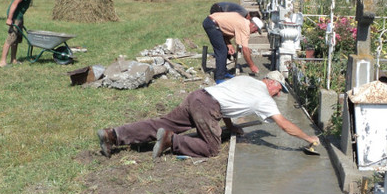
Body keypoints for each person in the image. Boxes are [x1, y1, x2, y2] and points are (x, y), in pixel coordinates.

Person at [97, 71, 319, 159]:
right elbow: (284, 125)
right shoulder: (264, 98)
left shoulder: (245, 79)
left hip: (199, 96)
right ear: (271, 82)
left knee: (162, 122)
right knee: (212, 149)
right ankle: (171, 140)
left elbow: (228, 98)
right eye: (279, 89)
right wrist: (309, 139)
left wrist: (230, 127)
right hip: (208, 107)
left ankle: (113, 135)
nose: (278, 95)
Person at [0, 0, 48, 67]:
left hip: (19, 16)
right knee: (11, 38)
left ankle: (13, 59)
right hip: (15, 16)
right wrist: (10, 18)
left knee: (16, 39)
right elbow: (15, 3)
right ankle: (2, 62)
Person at [203, 9, 264, 83]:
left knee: (224, 49)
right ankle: (219, 78)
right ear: (253, 25)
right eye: (256, 30)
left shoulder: (243, 22)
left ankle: (224, 72)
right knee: (221, 51)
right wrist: (252, 66)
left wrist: (229, 45)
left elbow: (225, 31)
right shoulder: (245, 27)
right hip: (212, 24)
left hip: (215, 23)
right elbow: (245, 49)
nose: (255, 32)